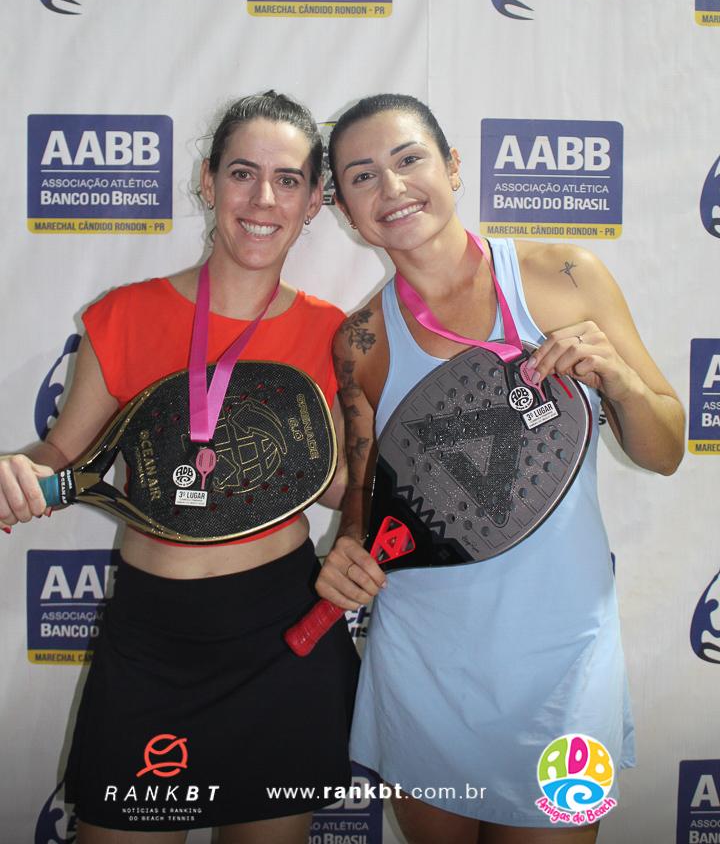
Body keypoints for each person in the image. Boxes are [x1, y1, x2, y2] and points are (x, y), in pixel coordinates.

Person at [316, 94, 684, 844]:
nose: (392, 188)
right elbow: (366, 495)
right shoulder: (361, 343)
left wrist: (617, 382)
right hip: (423, 661)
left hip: (565, 661)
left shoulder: (564, 275)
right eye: (362, 176)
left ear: (453, 166)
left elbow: (668, 450)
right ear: (346, 210)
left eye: (409, 159)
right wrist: (348, 547)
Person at [0, 92, 359, 844]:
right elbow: (61, 454)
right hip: (151, 639)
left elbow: (335, 489)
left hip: (284, 636)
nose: (263, 200)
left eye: (288, 180)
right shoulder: (124, 314)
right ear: (207, 181)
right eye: (242, 173)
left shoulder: (334, 334)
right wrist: (16, 474)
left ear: (313, 202)